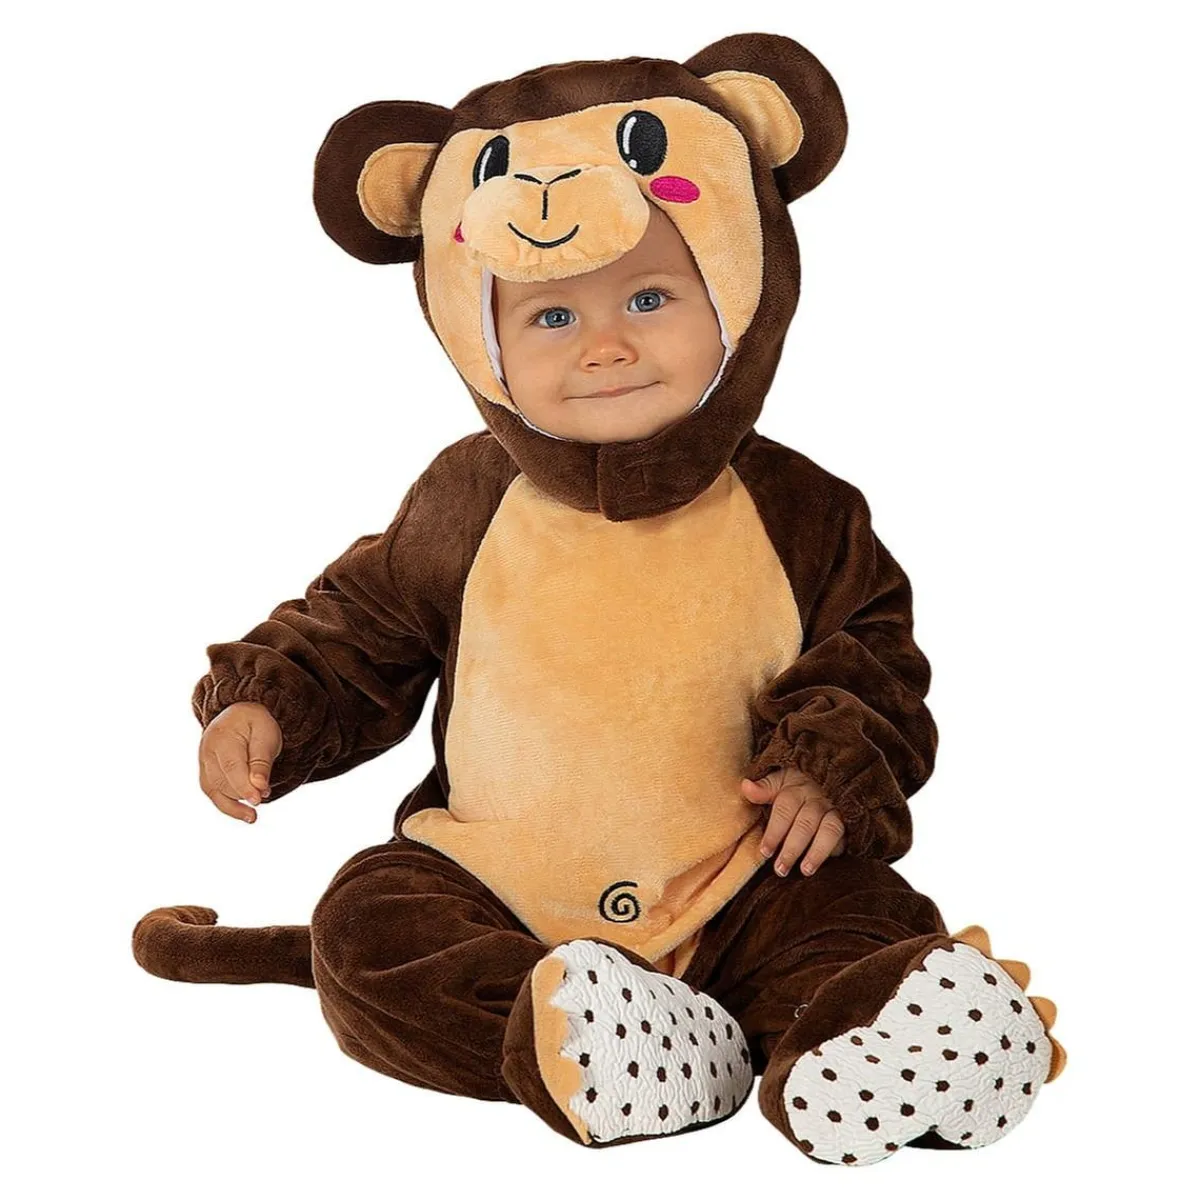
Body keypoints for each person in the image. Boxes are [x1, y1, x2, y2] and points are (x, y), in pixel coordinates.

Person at [134, 38, 1065, 1164]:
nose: (608, 345)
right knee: (370, 933)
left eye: (650, 296)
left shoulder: (803, 508)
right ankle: (599, 1040)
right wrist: (268, 704)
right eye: (551, 319)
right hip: (501, 887)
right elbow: (361, 627)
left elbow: (875, 664)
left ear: (740, 291)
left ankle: (876, 1046)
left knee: (852, 915)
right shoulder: (465, 499)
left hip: (746, 880)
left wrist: (825, 765)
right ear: (479, 339)